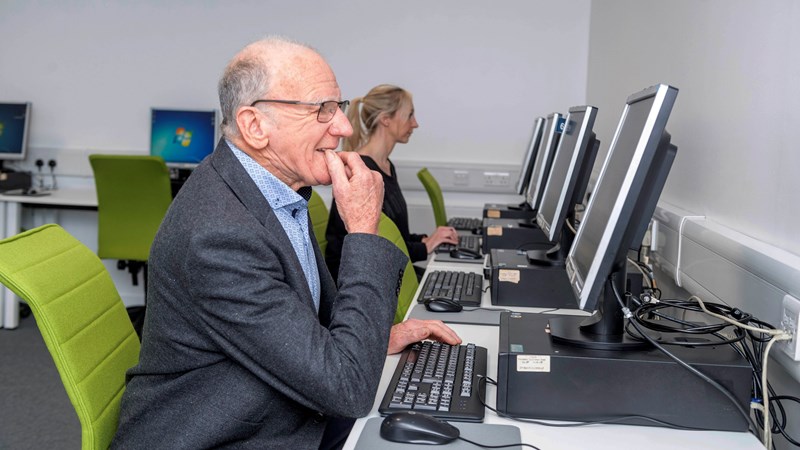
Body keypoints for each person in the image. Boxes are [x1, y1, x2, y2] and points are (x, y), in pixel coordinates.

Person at [112, 37, 461, 449]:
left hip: (282, 402)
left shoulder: (274, 192)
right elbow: (346, 388)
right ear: (255, 126)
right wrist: (363, 230)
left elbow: (304, 330)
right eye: (322, 110)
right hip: (226, 433)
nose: (344, 128)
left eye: (340, 107)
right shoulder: (219, 235)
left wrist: (376, 338)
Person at [324, 85, 459, 281]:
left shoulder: (385, 166)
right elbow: (373, 247)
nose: (415, 124)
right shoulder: (361, 172)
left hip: (386, 273)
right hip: (360, 281)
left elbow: (394, 232)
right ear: (386, 119)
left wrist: (426, 239)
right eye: (409, 115)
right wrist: (425, 247)